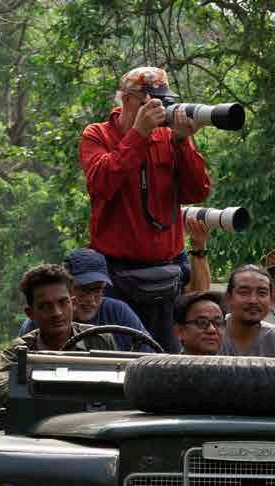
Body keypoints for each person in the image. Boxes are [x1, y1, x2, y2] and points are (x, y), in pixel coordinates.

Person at [80, 66, 214, 354]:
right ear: (127, 99)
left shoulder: (167, 137)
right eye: (150, 102)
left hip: (166, 274)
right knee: (118, 356)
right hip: (116, 274)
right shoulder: (97, 134)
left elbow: (197, 192)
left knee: (168, 359)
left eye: (164, 102)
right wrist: (138, 135)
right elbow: (101, 184)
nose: (159, 110)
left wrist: (183, 142)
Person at [0, 264, 119, 410]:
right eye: (45, 306)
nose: (57, 313)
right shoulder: (19, 350)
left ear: (73, 304)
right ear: (30, 313)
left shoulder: (99, 340)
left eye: (63, 303)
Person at [18, 248, 154, 351]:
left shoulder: (118, 312)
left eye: (97, 290)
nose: (91, 299)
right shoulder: (39, 322)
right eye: (83, 290)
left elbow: (149, 358)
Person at [220, 265, 275, 358]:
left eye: (262, 293)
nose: (253, 300)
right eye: (244, 292)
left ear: (271, 300)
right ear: (228, 298)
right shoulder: (211, 334)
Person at [172, 291, 226, 356]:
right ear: (180, 331)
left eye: (218, 322)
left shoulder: (233, 361)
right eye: (202, 322)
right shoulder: (165, 362)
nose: (212, 329)